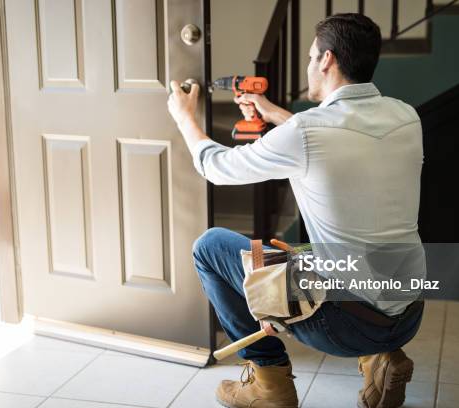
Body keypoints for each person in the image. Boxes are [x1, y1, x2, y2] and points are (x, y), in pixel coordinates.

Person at [167, 13, 424, 408]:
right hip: (407, 311)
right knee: (307, 255)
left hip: (346, 322)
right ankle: (382, 357)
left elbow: (215, 167)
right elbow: (338, 144)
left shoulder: (306, 131)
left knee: (212, 245)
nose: (308, 65)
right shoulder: (406, 116)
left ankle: (269, 383)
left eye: (310, 57)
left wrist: (186, 118)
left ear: (327, 60)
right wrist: (275, 114)